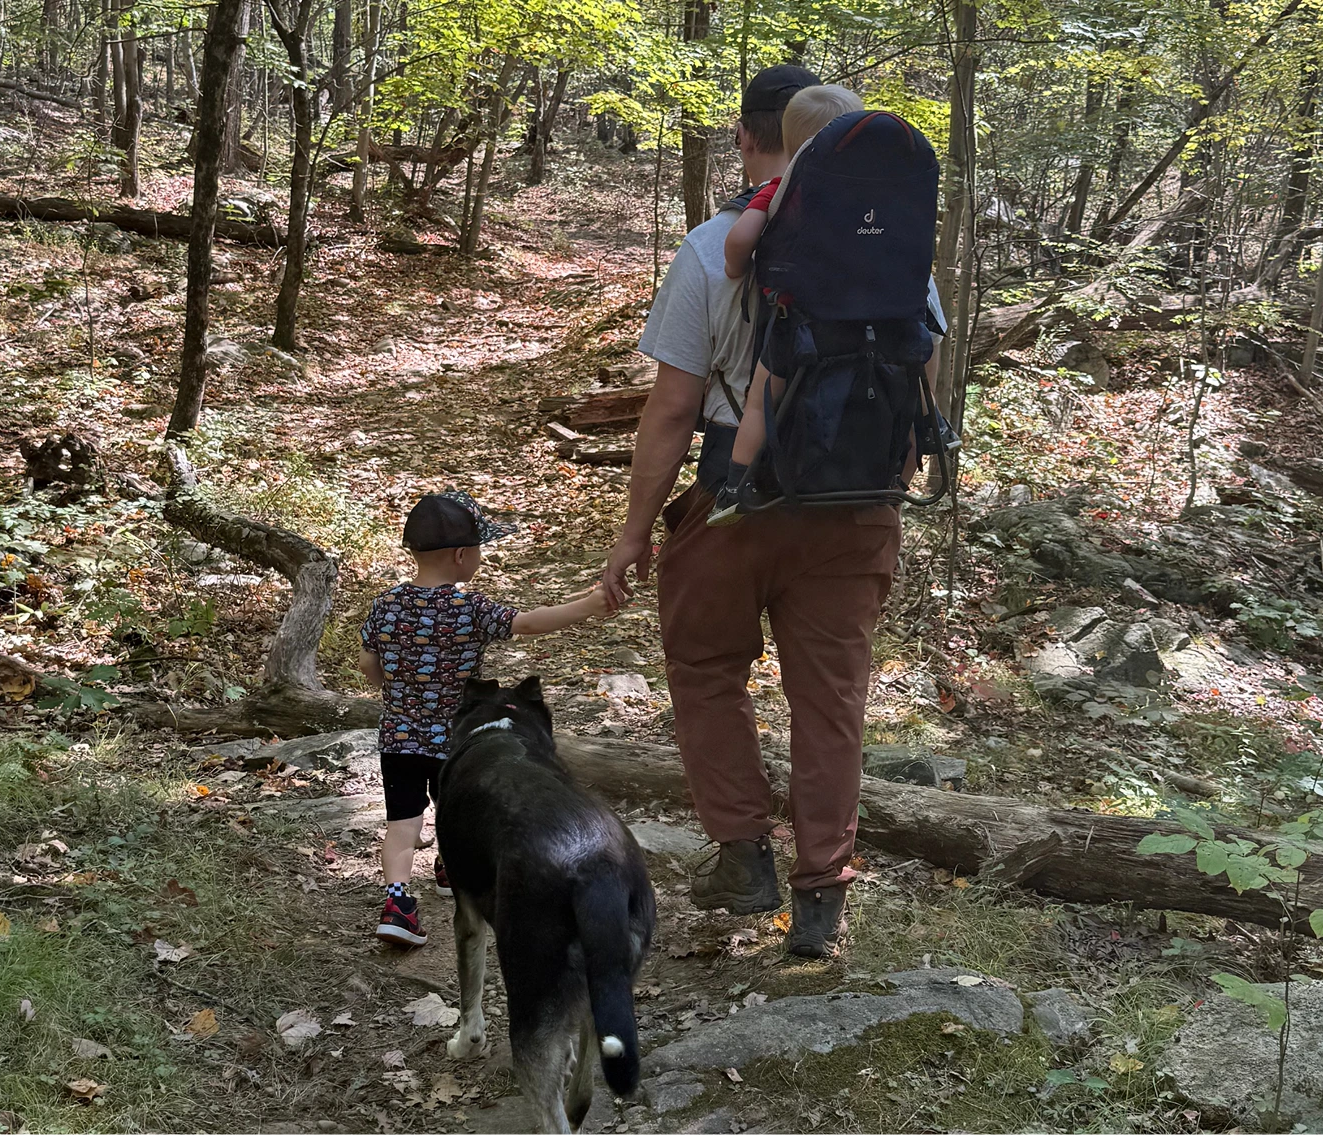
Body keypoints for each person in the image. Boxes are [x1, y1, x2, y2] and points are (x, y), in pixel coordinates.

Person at [603, 65, 948, 958]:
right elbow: (923, 371)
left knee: (706, 668)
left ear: (748, 140)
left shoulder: (712, 247)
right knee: (831, 701)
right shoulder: (898, 248)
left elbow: (671, 411)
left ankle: (743, 853)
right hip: (858, 506)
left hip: (737, 497)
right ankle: (822, 893)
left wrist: (635, 533)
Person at [359, 490, 611, 947]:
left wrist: (396, 693)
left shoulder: (385, 605)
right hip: (457, 743)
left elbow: (368, 665)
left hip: (398, 738)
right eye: (478, 549)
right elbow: (528, 622)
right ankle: (451, 869)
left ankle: (397, 905)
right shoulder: (470, 609)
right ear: (461, 555)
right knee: (454, 810)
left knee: (403, 823)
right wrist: (591, 606)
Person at [713, 84, 867, 526]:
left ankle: (736, 485)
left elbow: (739, 241)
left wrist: (735, 267)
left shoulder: (782, 188)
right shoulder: (871, 198)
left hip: (801, 325)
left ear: (791, 142)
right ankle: (932, 427)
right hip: (869, 326)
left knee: (760, 401)